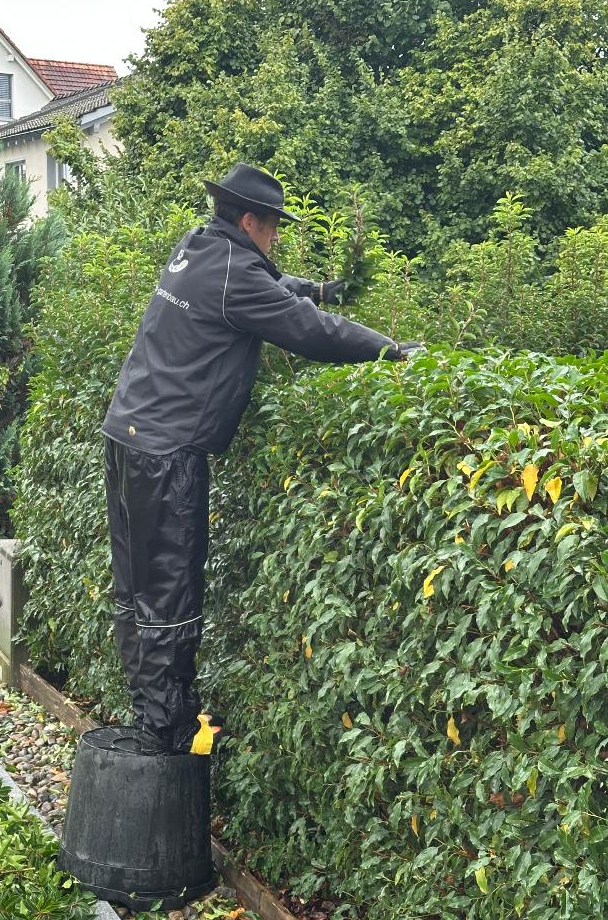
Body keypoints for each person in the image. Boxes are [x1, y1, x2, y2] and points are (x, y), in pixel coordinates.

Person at [101, 163, 423, 756]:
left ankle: (152, 713)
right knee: (171, 592)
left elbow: (269, 284)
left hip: (127, 435)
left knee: (136, 587)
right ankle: (170, 737)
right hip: (166, 453)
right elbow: (309, 332)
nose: (276, 238)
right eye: (273, 227)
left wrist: (317, 287)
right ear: (250, 221)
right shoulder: (232, 271)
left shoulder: (200, 247)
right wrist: (391, 350)